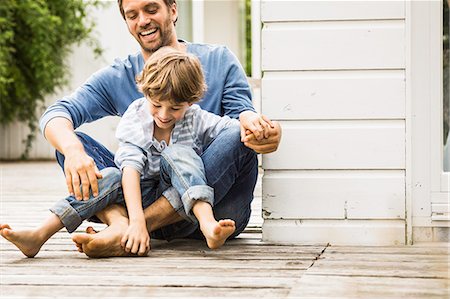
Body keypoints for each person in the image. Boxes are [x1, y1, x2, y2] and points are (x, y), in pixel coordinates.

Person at [1, 0, 282, 258]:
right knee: (71, 143)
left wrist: (262, 131)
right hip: (141, 192)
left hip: (214, 210)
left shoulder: (218, 60)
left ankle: (125, 231)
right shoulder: (122, 78)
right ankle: (124, 226)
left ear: (172, 9)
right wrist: (74, 151)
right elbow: (57, 114)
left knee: (227, 139)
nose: (142, 20)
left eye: (150, 9)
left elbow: (241, 118)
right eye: (132, 14)